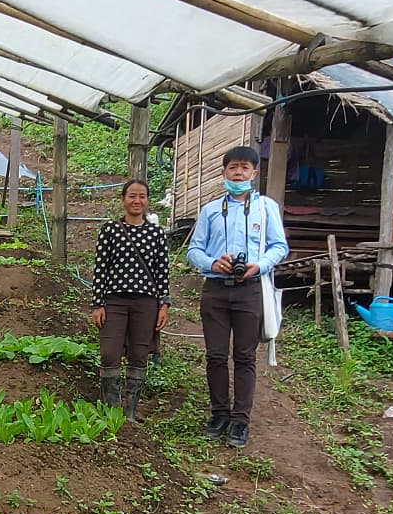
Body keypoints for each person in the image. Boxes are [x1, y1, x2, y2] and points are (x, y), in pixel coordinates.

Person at [187, 145, 288, 448]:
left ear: (254, 173)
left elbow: (279, 246)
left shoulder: (266, 208)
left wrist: (260, 265)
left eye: (245, 168)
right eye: (233, 168)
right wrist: (211, 263)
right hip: (216, 290)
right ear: (224, 172)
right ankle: (219, 414)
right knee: (216, 355)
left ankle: (240, 420)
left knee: (245, 357)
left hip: (250, 289)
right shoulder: (210, 210)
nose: (239, 173)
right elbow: (194, 249)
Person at [89, 179, 170, 420]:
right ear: (123, 199)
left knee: (139, 353)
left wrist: (164, 304)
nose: (137, 201)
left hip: (146, 303)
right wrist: (97, 303)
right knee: (109, 353)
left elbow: (162, 271)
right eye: (132, 196)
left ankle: (130, 412)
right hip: (114, 301)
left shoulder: (156, 234)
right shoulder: (110, 230)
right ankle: (112, 410)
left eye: (142, 196)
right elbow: (100, 268)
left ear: (147, 201)